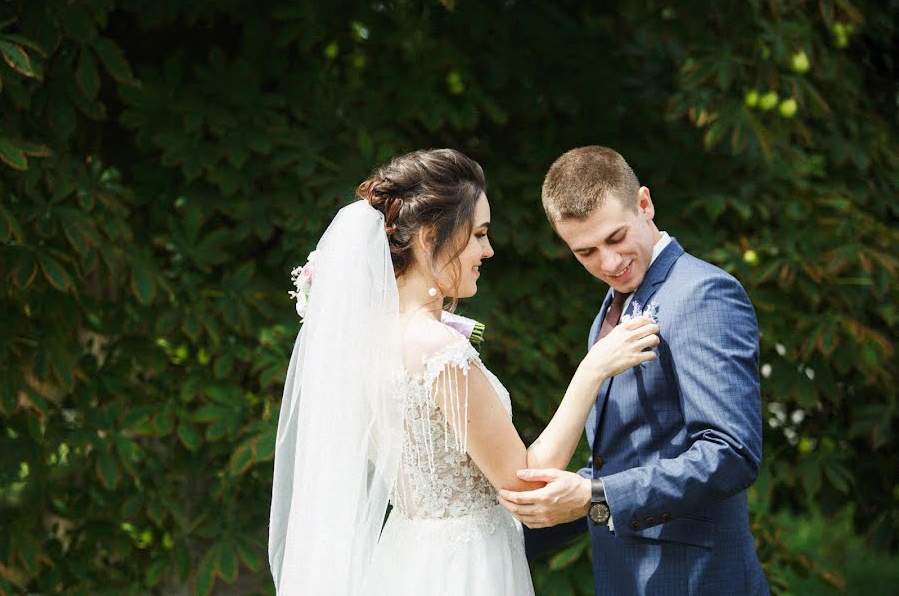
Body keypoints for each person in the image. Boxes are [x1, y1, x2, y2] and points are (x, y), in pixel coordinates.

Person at [268, 148, 659, 595]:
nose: (487, 251)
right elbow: (523, 482)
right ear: (432, 236)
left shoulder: (372, 341)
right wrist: (592, 370)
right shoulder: (437, 349)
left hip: (406, 556)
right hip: (465, 570)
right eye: (478, 234)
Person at [498, 146, 769, 594]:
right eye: (585, 252)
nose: (608, 263)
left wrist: (595, 497)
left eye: (616, 237)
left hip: (696, 581)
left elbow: (731, 453)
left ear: (644, 204)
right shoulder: (615, 303)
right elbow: (624, 460)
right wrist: (507, 533)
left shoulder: (702, 294)